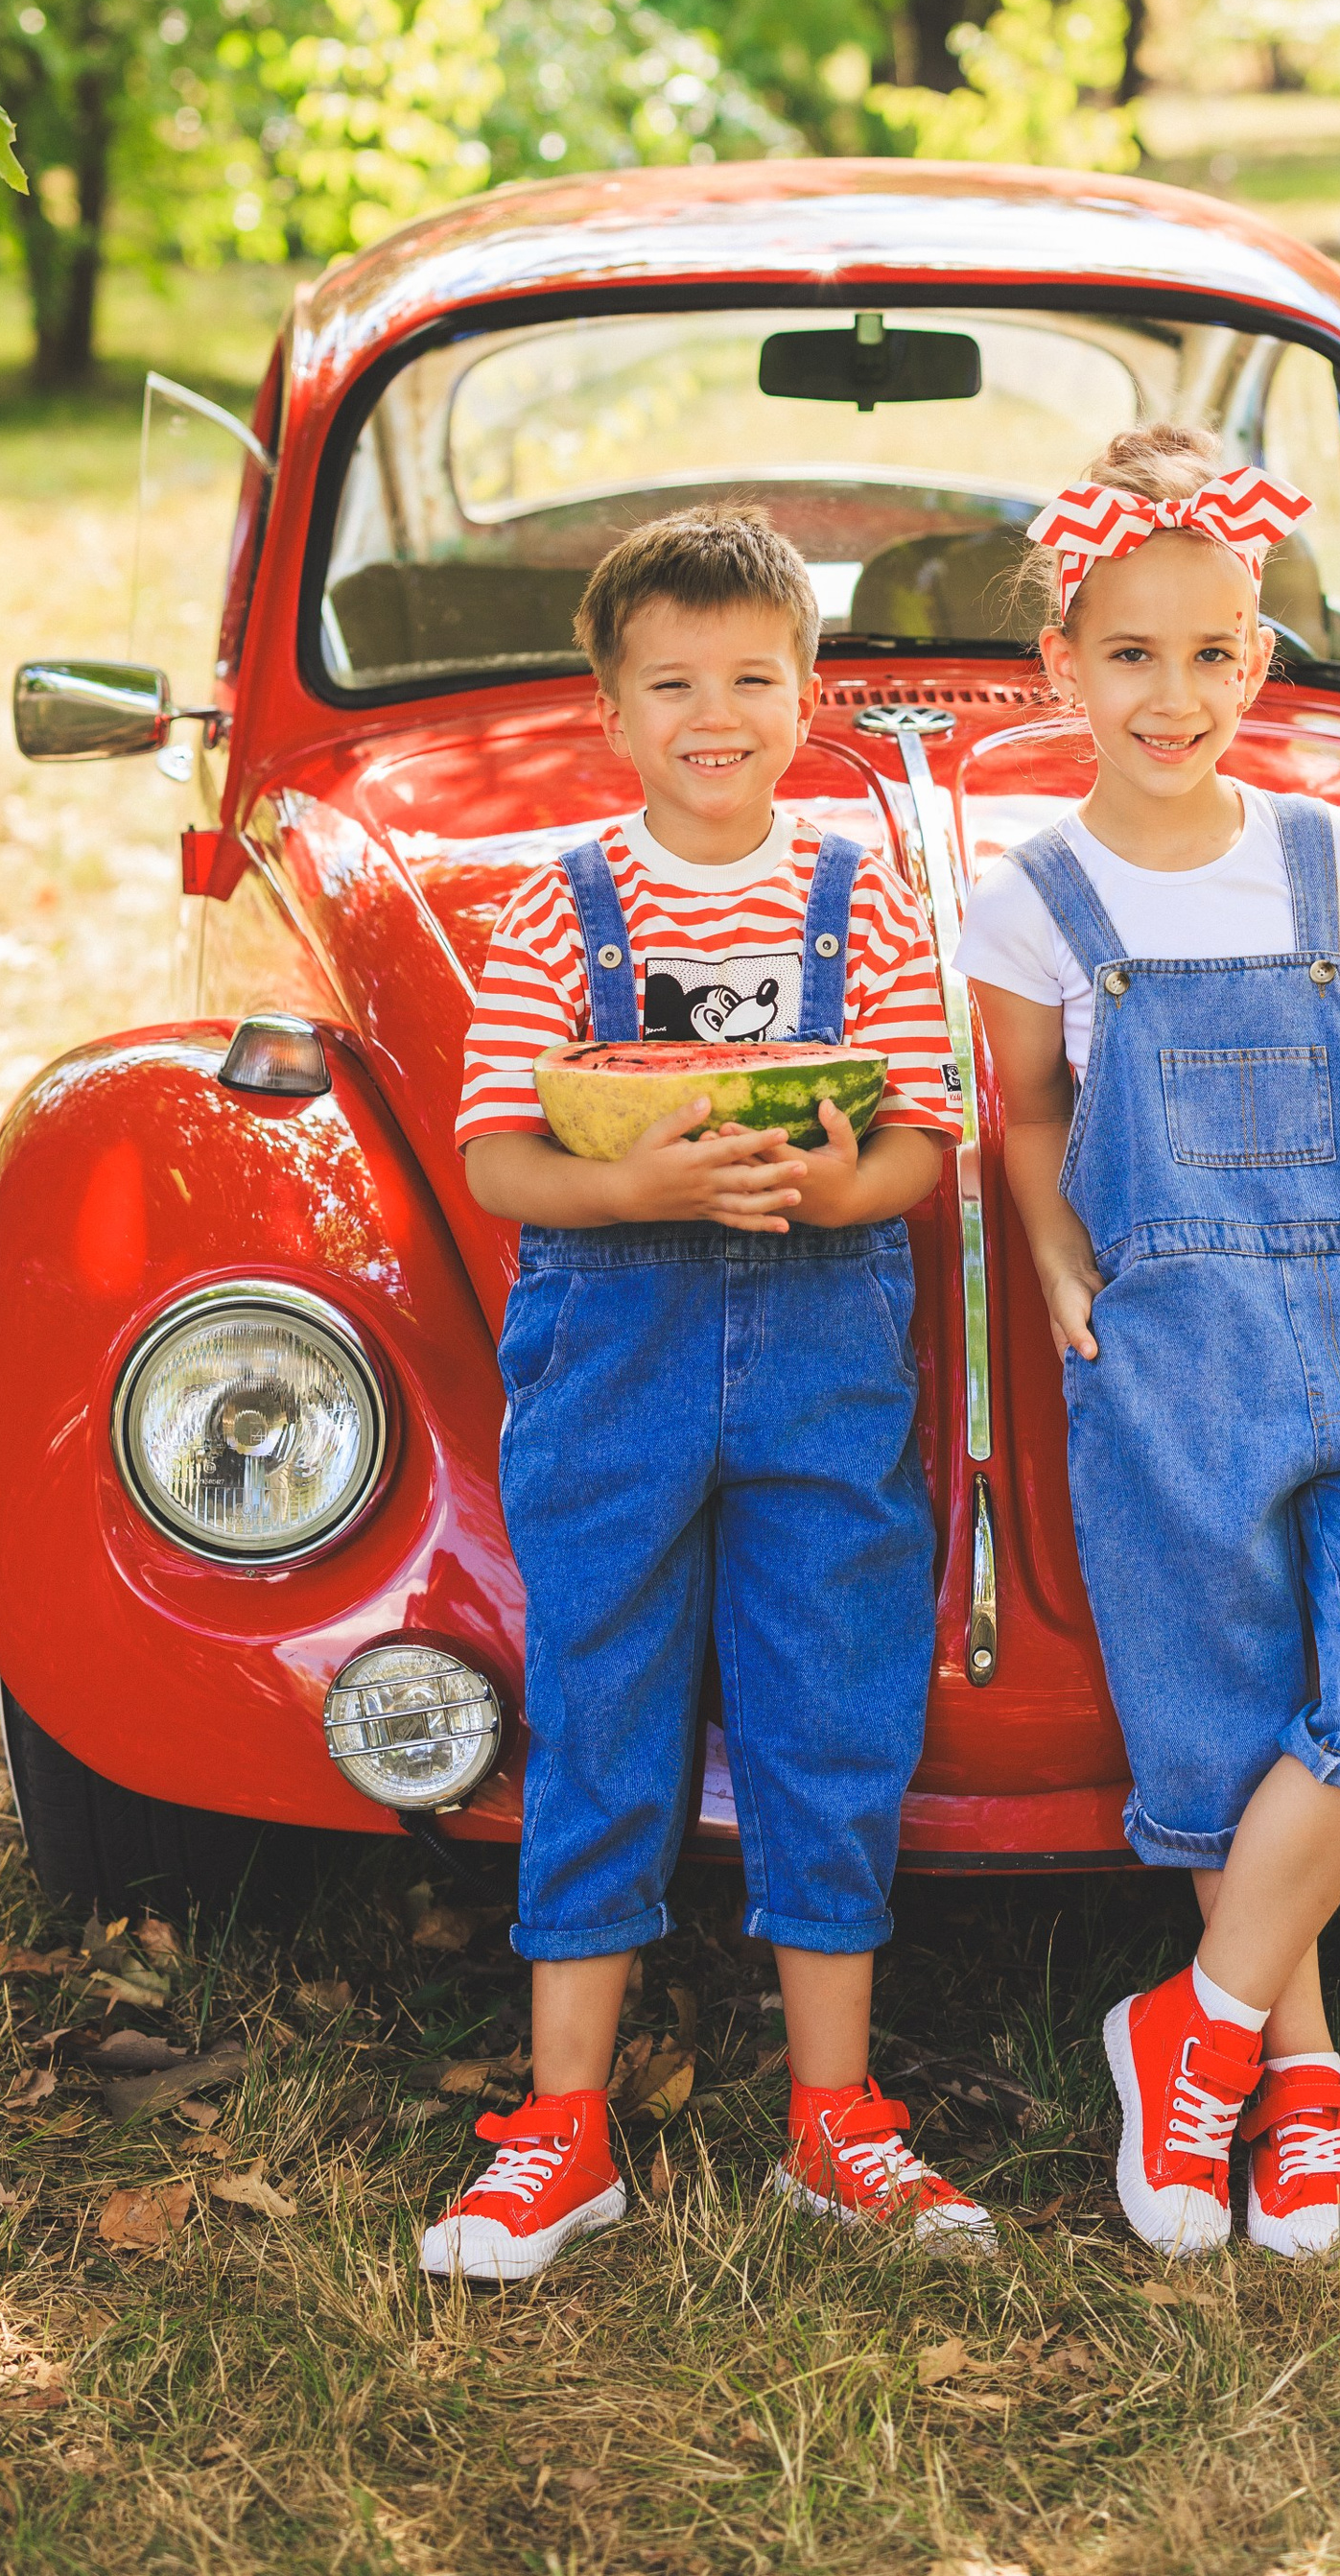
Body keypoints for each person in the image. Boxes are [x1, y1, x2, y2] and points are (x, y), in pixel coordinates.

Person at [425, 503, 992, 2281]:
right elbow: (500, 1156)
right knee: (602, 1710)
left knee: (833, 1709)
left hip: (824, 1349)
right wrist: (640, 1187)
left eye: (753, 674)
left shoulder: (859, 896)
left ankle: (836, 2120)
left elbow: (923, 1140)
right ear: (610, 709)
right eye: (672, 681)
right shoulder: (556, 901)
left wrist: (831, 1184)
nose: (715, 711)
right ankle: (560, 2127)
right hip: (618, 1353)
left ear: (810, 693)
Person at [958, 423, 1340, 2260]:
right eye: (1128, 655)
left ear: (1259, 661)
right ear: (1063, 670)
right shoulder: (1032, 896)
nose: (1170, 695)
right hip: (1169, 1339)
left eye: (1208, 655)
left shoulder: (1324, 855)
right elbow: (1024, 1115)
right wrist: (1048, 1269)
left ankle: (1192, 2024)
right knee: (1224, 1715)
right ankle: (1302, 2086)